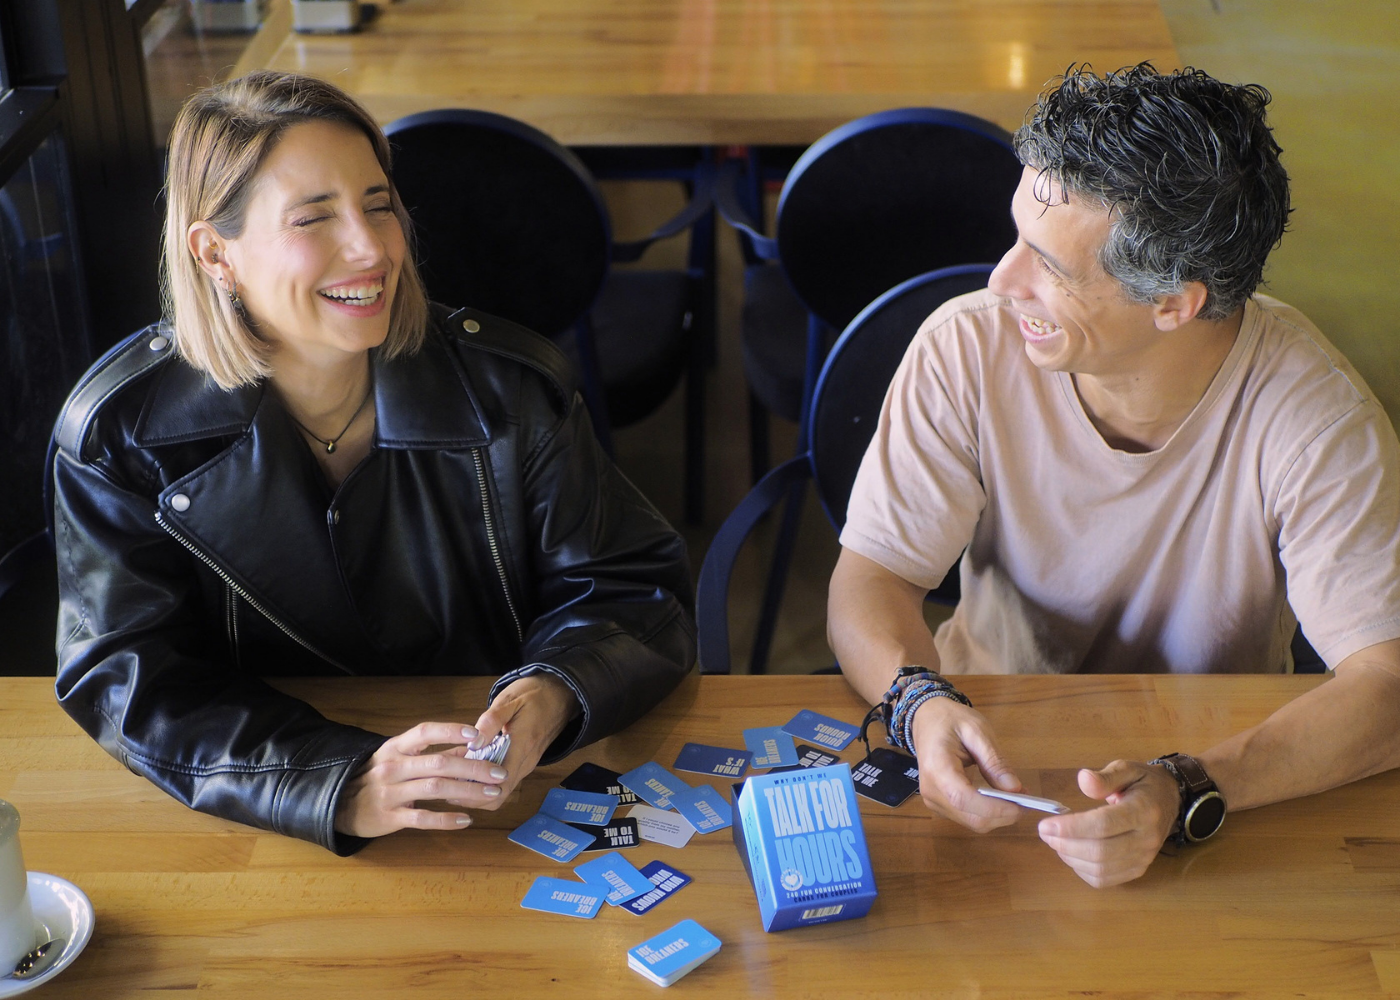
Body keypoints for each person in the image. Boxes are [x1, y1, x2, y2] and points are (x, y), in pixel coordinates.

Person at [50, 71, 695, 855]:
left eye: (379, 205)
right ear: (216, 253)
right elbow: (129, 679)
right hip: (259, 837)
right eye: (313, 217)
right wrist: (338, 780)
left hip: (495, 817)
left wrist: (553, 692)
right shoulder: (118, 436)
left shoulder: (511, 391)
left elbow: (634, 590)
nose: (371, 248)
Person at [829, 64, 1400, 887]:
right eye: (1016, 236)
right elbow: (871, 578)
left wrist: (1192, 785)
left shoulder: (1318, 420)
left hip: (1225, 774)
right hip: (990, 741)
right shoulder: (965, 347)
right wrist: (917, 702)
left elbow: (1387, 685)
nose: (999, 281)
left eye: (1049, 268)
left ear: (1173, 303)